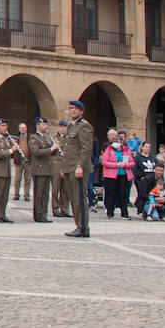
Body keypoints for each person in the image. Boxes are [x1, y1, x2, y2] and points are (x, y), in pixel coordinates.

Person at [61, 102, 96, 238]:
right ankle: (78, 225)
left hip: (78, 167)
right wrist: (64, 167)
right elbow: (68, 148)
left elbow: (86, 148)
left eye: (75, 108)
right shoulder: (71, 125)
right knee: (73, 198)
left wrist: (80, 165)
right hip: (69, 167)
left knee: (79, 198)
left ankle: (83, 227)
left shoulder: (84, 126)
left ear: (82, 111)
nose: (73, 110)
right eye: (71, 108)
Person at [100, 129, 135, 219]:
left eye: (118, 141)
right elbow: (104, 162)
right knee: (111, 193)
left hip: (123, 174)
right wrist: (116, 165)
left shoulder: (127, 150)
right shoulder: (109, 150)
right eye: (115, 141)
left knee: (123, 194)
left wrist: (125, 165)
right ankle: (110, 212)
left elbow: (132, 163)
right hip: (111, 175)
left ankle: (124, 213)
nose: (117, 143)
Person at [28, 117, 57, 223]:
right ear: (38, 125)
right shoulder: (34, 137)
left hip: (48, 168)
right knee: (39, 193)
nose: (45, 126)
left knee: (45, 194)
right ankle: (38, 215)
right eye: (43, 125)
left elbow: (51, 152)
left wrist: (55, 148)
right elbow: (36, 152)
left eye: (46, 124)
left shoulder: (48, 137)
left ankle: (44, 214)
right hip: (39, 169)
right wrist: (50, 149)